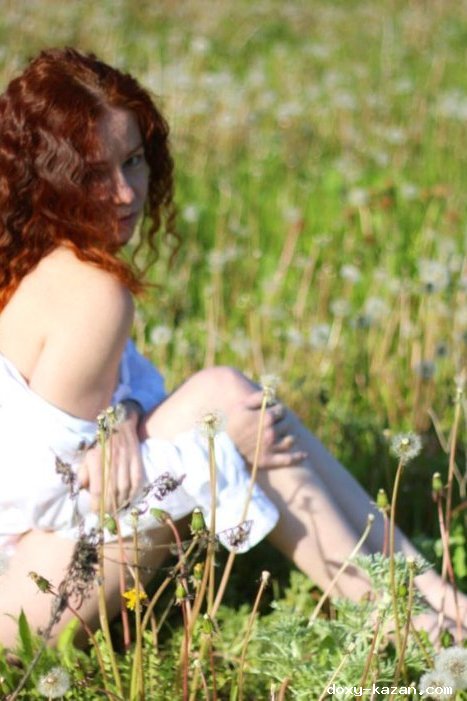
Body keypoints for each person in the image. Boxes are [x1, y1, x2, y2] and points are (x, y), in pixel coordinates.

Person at [0, 48, 464, 649]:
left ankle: (436, 602)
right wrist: (205, 452)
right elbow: (42, 495)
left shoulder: (32, 255)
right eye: (94, 174)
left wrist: (127, 419)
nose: (124, 193)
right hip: (22, 604)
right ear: (50, 176)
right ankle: (411, 627)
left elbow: (127, 390)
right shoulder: (94, 294)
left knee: (229, 400)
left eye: (133, 160)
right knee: (232, 415)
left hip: (37, 570)